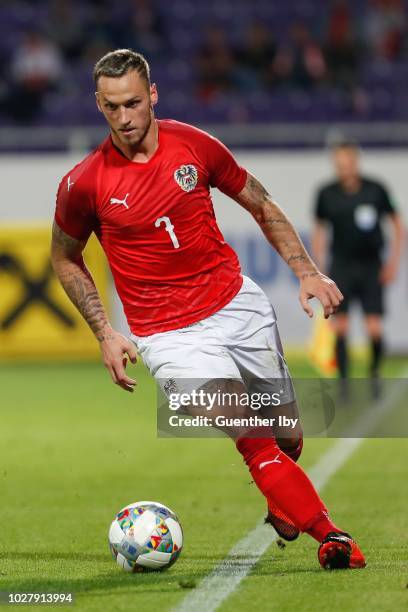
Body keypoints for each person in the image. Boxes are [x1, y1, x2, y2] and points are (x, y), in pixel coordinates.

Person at [51, 49, 365, 570]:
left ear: (152, 95)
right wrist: (105, 330)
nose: (124, 117)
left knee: (286, 436)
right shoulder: (84, 183)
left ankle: (282, 492)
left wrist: (308, 271)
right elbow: (64, 257)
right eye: (111, 108)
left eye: (132, 103)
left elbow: (260, 204)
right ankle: (332, 536)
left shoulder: (194, 146)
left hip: (237, 308)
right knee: (249, 431)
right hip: (169, 337)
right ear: (99, 105)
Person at [312, 141, 404, 398]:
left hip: (371, 266)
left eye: (348, 163)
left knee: (374, 327)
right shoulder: (326, 193)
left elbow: (397, 224)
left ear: (356, 162)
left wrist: (393, 262)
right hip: (340, 266)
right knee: (340, 327)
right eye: (339, 164)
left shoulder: (375, 190)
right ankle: (344, 384)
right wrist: (319, 269)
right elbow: (319, 231)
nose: (344, 169)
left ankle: (373, 374)